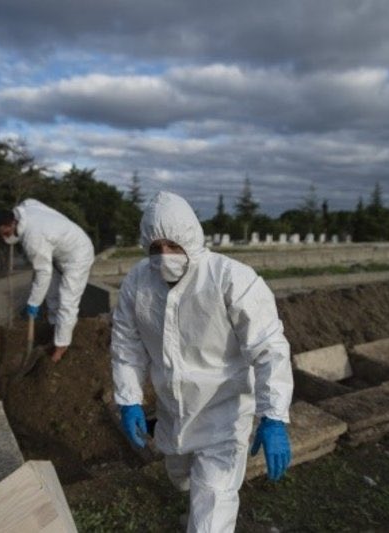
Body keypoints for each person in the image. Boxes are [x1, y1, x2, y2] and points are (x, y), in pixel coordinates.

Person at [111, 191, 294, 532]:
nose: (165, 256)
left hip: (224, 417)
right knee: (180, 477)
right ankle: (193, 506)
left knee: (211, 511)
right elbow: (126, 345)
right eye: (156, 247)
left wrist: (273, 417)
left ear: (192, 240)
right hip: (172, 413)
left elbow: (269, 348)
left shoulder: (231, 279)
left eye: (174, 245)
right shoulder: (138, 282)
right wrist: (129, 400)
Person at [0, 199, 95, 362]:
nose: (5, 237)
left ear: (12, 223)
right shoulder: (25, 208)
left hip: (79, 254)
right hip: (59, 251)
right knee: (51, 294)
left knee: (67, 301)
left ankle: (61, 347)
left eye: (6, 233)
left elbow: (43, 273)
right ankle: (55, 329)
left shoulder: (33, 239)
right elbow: (30, 201)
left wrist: (33, 303)